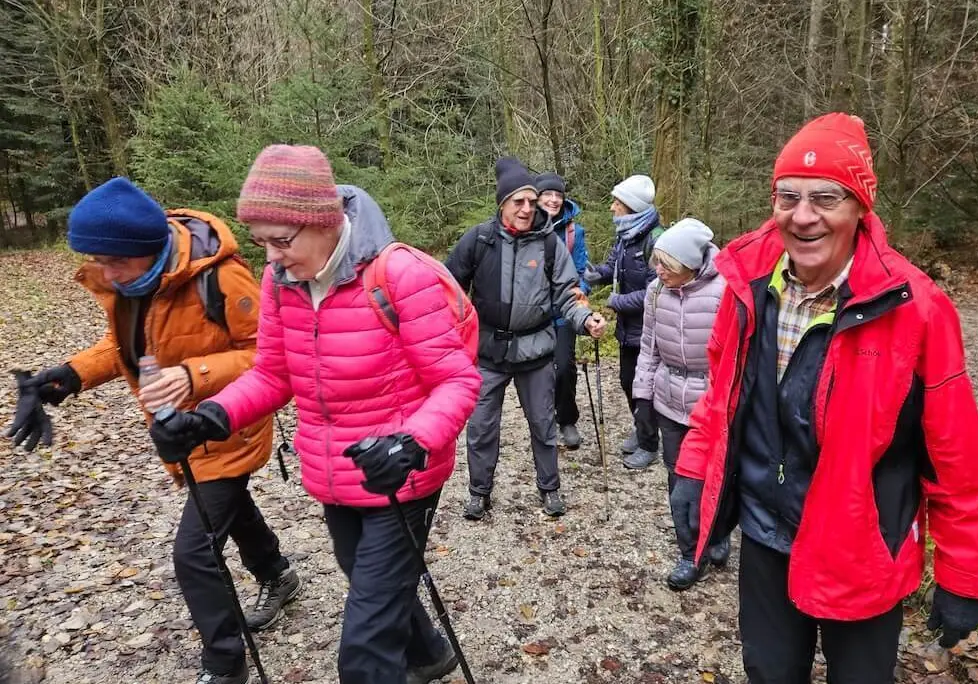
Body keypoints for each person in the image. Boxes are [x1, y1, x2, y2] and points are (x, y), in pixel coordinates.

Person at [669, 113, 978, 682]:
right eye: (788, 197)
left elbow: (957, 457)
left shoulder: (914, 308)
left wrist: (964, 573)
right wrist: (695, 470)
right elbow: (720, 397)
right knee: (768, 672)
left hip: (861, 548)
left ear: (860, 208)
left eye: (826, 198)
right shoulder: (746, 286)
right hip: (766, 533)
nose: (802, 216)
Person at [148, 145, 482, 684]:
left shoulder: (399, 274)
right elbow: (272, 374)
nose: (273, 256)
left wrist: (412, 441)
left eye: (282, 241)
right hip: (333, 471)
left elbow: (458, 379)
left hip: (403, 474)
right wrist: (210, 417)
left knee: (366, 645)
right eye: (262, 243)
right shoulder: (281, 281)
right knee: (368, 577)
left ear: (323, 222)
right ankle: (429, 653)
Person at [6, 177, 298, 684]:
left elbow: (270, 356)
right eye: (97, 260)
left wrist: (195, 376)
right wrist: (68, 377)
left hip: (228, 424)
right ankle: (277, 573)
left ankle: (225, 665)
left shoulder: (221, 279)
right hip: (176, 429)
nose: (105, 271)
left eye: (114, 260)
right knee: (229, 509)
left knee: (193, 552)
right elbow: (127, 345)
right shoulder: (130, 284)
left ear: (150, 248)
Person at [446, 157, 606, 520]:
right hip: (487, 351)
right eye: (518, 201)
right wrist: (451, 330)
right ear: (502, 203)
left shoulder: (549, 245)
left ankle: (549, 489)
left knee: (543, 424)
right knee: (482, 427)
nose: (527, 208)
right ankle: (479, 492)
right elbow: (449, 287)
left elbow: (569, 294)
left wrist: (586, 320)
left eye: (531, 202)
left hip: (535, 350)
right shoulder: (479, 240)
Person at [630, 218, 733, 590]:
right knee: (678, 482)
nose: (659, 271)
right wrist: (642, 395)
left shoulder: (726, 292)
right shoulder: (657, 292)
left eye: (667, 265)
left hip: (712, 404)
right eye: (658, 263)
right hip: (669, 400)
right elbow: (648, 347)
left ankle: (718, 534)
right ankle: (690, 553)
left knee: (714, 479)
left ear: (690, 264)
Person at [581, 174, 664, 467]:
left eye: (617, 202)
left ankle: (649, 443)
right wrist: (596, 273)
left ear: (630, 206)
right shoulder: (626, 235)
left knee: (643, 385)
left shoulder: (656, 241)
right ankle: (643, 429)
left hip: (650, 329)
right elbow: (612, 266)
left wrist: (616, 302)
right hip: (629, 329)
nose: (612, 207)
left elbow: (656, 292)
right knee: (628, 381)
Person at [534, 171, 592, 450]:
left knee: (564, 368)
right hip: (534, 313)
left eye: (558, 195)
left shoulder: (573, 232)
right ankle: (543, 418)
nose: (554, 200)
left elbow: (582, 271)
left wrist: (580, 294)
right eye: (548, 194)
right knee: (539, 370)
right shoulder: (527, 228)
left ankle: (567, 418)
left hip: (565, 312)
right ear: (537, 197)